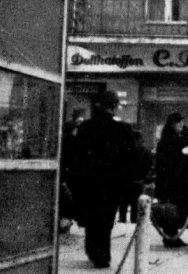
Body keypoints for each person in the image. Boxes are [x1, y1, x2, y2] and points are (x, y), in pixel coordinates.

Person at [71, 91, 136, 268]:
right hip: (112, 183)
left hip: (89, 182)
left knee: (92, 218)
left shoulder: (85, 127)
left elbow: (76, 156)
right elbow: (130, 158)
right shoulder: (123, 129)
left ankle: (93, 250)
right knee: (106, 219)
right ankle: (102, 254)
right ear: (114, 107)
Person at [154, 113, 188, 247]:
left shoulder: (180, 137)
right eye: (179, 123)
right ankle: (170, 235)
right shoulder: (167, 140)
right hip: (172, 181)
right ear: (172, 124)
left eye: (182, 122)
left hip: (181, 180)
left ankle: (173, 235)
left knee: (179, 208)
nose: (182, 125)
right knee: (171, 209)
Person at [119, 130, 153, 224]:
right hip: (138, 180)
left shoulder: (125, 149)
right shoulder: (144, 150)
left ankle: (122, 220)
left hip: (125, 181)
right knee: (135, 204)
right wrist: (144, 175)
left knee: (123, 204)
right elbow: (149, 164)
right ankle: (134, 220)